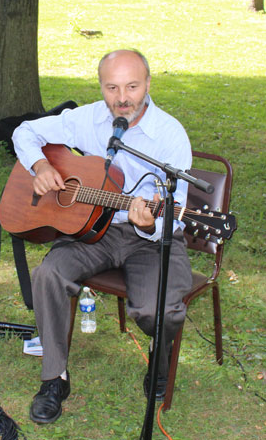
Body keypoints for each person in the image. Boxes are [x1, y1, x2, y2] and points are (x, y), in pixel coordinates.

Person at [12, 49, 192, 424]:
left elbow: (172, 219)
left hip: (151, 236)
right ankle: (54, 379)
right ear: (101, 86)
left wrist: (147, 222)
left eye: (131, 86)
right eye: (112, 87)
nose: (122, 97)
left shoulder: (170, 135)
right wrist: (41, 164)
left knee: (159, 312)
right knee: (49, 273)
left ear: (148, 84)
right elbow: (25, 131)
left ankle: (160, 359)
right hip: (95, 229)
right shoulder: (88, 118)